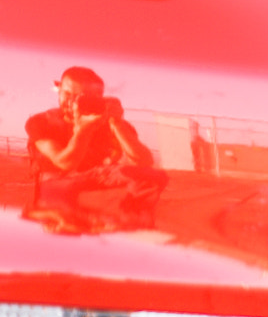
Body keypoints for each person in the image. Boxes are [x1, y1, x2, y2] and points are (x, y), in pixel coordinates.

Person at [23, 67, 165, 233]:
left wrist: (116, 125)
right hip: (56, 181)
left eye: (83, 98)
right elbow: (64, 162)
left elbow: (144, 162)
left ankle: (132, 220)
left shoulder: (109, 122)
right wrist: (84, 130)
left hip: (96, 175)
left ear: (99, 98)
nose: (73, 102)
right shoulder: (43, 122)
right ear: (59, 90)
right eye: (68, 94)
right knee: (66, 227)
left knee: (152, 176)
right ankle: (85, 219)